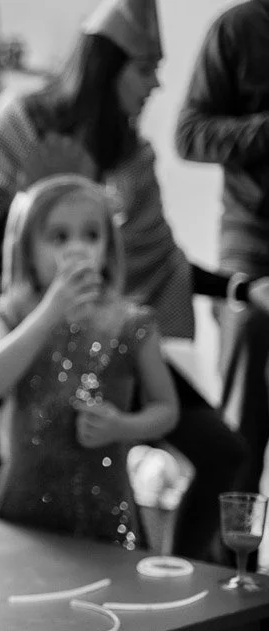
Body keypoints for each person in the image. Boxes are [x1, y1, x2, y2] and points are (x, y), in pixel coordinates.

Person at [0, 0, 248, 563]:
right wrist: (31, 287)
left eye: (91, 235)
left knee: (223, 450)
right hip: (28, 331)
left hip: (110, 342)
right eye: (144, 68)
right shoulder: (20, 121)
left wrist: (239, 288)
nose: (156, 84)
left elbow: (164, 258)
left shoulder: (134, 157)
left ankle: (184, 574)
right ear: (109, 68)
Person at [0, 174, 178, 546]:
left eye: (91, 235)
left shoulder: (133, 322)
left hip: (106, 515)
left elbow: (166, 409)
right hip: (23, 512)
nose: (77, 249)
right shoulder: (11, 313)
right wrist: (51, 309)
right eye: (59, 237)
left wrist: (121, 426)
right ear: (28, 250)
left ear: (108, 247)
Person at [174, 1, 269, 500]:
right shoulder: (238, 28)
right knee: (244, 417)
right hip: (252, 246)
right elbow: (188, 134)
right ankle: (231, 563)